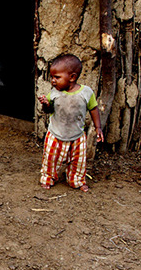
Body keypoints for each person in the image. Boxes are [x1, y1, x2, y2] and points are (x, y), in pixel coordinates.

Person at [37, 54, 104, 192]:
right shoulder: (54, 93)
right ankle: (48, 178)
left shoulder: (86, 93)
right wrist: (45, 104)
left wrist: (98, 127)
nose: (53, 81)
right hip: (55, 134)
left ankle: (77, 180)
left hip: (77, 136)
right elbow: (48, 111)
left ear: (72, 77)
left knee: (78, 162)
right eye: (52, 77)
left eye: (57, 77)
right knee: (50, 159)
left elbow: (93, 108)